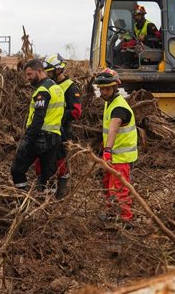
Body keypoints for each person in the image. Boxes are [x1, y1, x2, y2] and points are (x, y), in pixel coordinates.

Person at [11, 58, 65, 192]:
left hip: (40, 137)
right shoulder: (56, 87)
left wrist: (28, 139)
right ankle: (49, 206)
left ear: (40, 71)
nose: (28, 78)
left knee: (17, 169)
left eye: (30, 74)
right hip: (54, 137)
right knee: (49, 174)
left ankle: (21, 199)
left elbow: (38, 117)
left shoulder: (43, 90)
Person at [33, 53, 82, 198]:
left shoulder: (70, 87)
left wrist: (59, 115)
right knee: (41, 157)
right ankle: (43, 184)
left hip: (62, 130)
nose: (47, 74)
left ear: (58, 70)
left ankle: (62, 187)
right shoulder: (49, 85)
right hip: (46, 129)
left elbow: (76, 112)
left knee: (60, 158)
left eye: (49, 71)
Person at [93, 68, 138, 222]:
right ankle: (110, 211)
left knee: (120, 188)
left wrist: (107, 150)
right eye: (101, 89)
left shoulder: (119, 107)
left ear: (115, 88)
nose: (103, 92)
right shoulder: (110, 102)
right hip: (114, 156)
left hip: (122, 157)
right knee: (107, 183)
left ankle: (127, 219)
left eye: (106, 89)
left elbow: (113, 129)